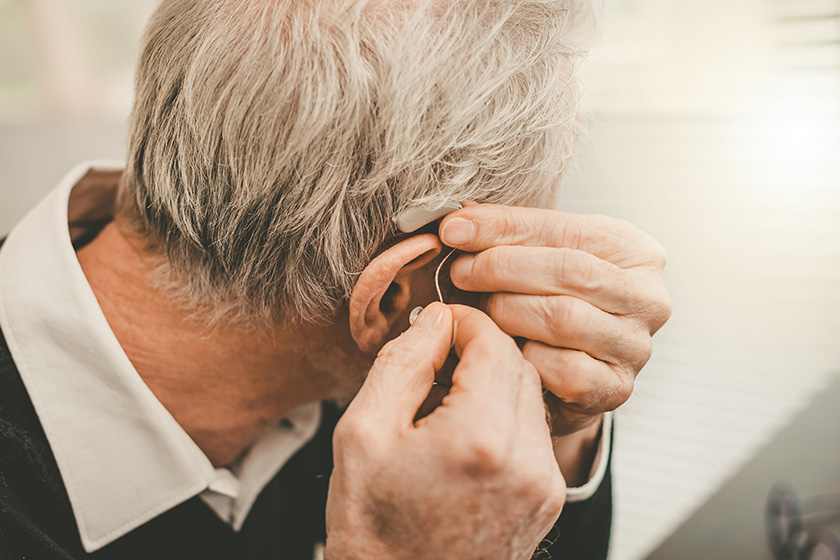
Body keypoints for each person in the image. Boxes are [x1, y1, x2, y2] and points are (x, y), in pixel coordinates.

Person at [0, 0, 671, 559]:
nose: (540, 284)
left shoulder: (338, 367)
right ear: (392, 296)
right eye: (527, 234)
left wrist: (559, 422)